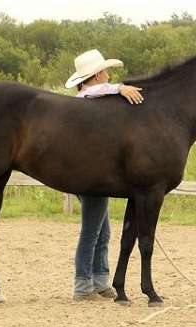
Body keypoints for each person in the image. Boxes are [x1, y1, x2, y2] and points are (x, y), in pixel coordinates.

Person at [64, 49, 144, 301]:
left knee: (102, 231)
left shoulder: (91, 98)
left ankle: (99, 280)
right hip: (91, 176)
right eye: (107, 73)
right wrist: (119, 88)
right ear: (98, 75)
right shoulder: (87, 97)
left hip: (92, 174)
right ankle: (82, 284)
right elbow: (93, 91)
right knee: (91, 231)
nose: (109, 76)